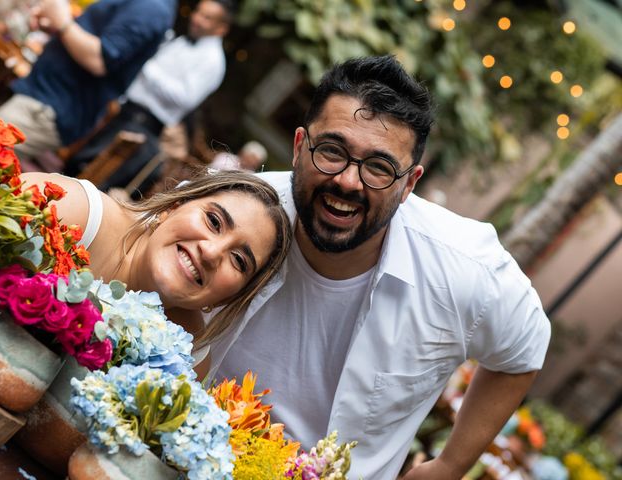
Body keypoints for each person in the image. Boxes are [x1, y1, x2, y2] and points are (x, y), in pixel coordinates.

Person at [211, 56, 551, 479]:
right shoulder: (231, 212)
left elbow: (524, 348)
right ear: (300, 147)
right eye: (332, 152)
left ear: (410, 184)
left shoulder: (463, 269)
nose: (348, 182)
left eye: (379, 167)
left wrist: (450, 465)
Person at [21, 169, 291, 377]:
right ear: (170, 208)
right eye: (213, 221)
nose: (210, 253)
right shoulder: (73, 212)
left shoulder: (187, 359)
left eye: (238, 260)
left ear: (226, 299)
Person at [64, 0, 235, 192]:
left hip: (143, 126)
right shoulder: (182, 41)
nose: (196, 18)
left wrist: (147, 65)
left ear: (221, 28)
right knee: (75, 164)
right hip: (125, 112)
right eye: (198, 12)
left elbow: (186, 97)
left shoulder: (213, 61)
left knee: (90, 179)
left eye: (207, 17)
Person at [0, 0, 176, 163]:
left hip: (49, 106)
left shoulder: (151, 7)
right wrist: (56, 24)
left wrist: (64, 23)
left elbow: (99, 60)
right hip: (43, 97)